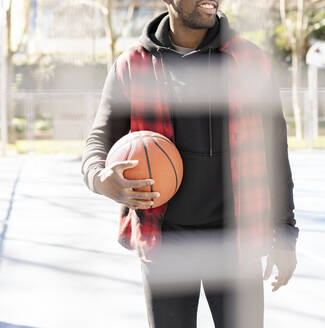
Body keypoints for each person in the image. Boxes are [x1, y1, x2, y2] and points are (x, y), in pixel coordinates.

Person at [81, 0, 298, 327]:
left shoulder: (250, 61)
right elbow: (98, 140)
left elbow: (274, 152)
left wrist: (285, 233)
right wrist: (100, 178)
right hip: (165, 243)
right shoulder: (132, 66)